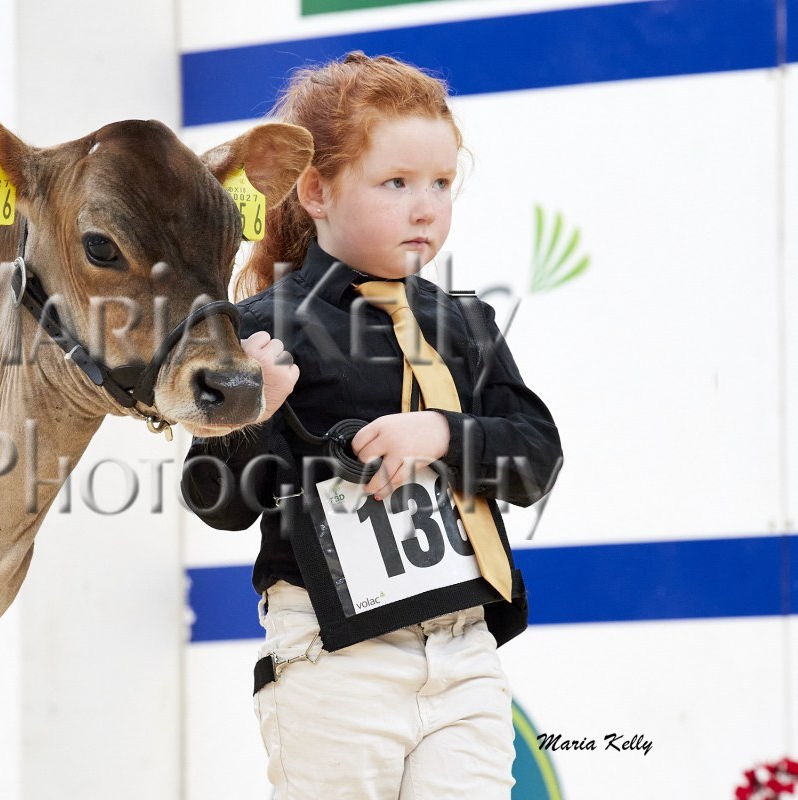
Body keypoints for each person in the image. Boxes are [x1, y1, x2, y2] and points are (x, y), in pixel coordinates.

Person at [181, 52, 562, 799]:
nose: (426, 208)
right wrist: (250, 412)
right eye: (396, 183)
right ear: (316, 191)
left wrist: (443, 435)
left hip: (463, 650)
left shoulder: (466, 324)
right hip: (333, 656)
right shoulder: (259, 329)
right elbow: (216, 502)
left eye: (442, 184)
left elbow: (536, 457)